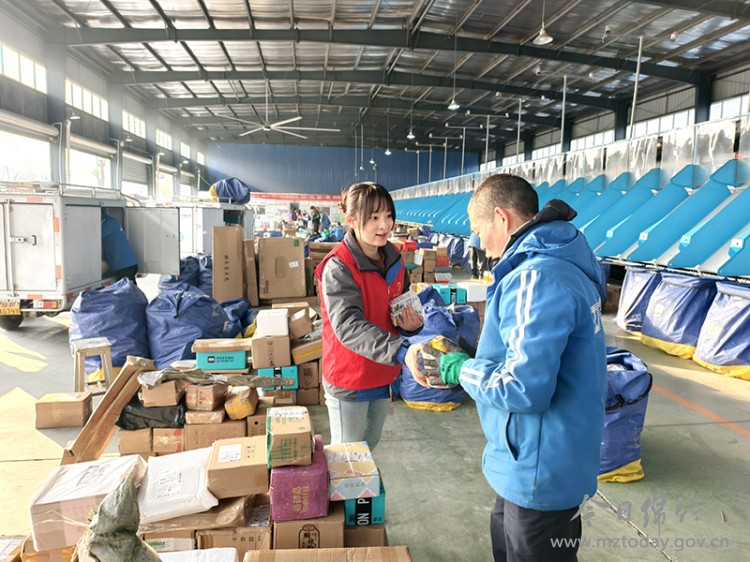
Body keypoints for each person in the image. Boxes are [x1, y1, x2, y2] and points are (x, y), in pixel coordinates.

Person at [406, 174, 607, 562]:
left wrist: (458, 370)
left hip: (539, 468)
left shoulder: (537, 277)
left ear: (501, 218)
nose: (479, 242)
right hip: (538, 459)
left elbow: (523, 387)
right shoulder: (559, 267)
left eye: (479, 229)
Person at [316, 182, 424, 450]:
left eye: (388, 216)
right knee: (347, 453)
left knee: (369, 444)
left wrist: (409, 326)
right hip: (351, 376)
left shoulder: (394, 258)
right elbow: (348, 326)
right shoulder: (339, 267)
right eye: (374, 217)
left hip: (383, 371)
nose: (384, 225)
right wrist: (401, 350)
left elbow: (397, 304)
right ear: (351, 220)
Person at [101, 210, 139, 283]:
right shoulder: (110, 221)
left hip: (124, 266)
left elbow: (95, 236)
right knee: (129, 287)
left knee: (126, 289)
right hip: (127, 264)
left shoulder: (108, 223)